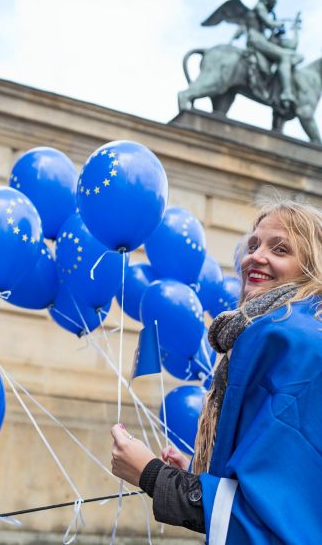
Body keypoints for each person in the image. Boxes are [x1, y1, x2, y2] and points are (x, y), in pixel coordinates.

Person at [111, 199, 322, 544]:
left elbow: (267, 518)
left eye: (280, 249)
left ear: (313, 268)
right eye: (253, 245)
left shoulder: (280, 337)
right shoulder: (304, 332)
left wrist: (152, 474)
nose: (256, 256)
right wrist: (196, 478)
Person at [245, 0, 303, 107]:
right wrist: (280, 23)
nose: (275, 2)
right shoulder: (260, 6)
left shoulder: (264, 10)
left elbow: (292, 45)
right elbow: (269, 23)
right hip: (257, 40)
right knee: (284, 56)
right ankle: (286, 93)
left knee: (289, 55)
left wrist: (295, 28)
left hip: (261, 40)